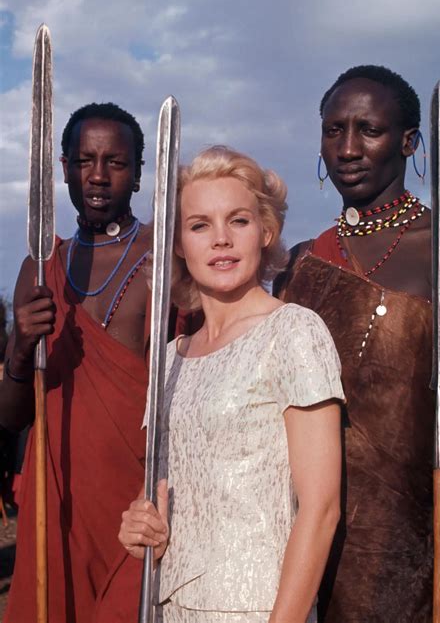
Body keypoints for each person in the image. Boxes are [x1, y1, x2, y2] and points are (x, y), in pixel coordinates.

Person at [275, 65, 440, 623]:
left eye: (369, 130)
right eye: (334, 130)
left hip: (409, 549)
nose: (348, 148)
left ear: (409, 142)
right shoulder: (298, 265)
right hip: (299, 547)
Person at [118, 146, 345, 622]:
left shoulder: (294, 332)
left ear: (266, 231)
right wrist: (143, 527)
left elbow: (321, 510)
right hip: (168, 609)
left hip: (257, 609)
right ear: (179, 243)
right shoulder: (168, 359)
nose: (220, 239)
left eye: (238, 220)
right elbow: (171, 495)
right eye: (200, 224)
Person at [1, 103, 154, 623]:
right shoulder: (40, 266)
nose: (97, 175)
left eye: (115, 162)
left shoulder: (167, 255)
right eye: (85, 160)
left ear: (137, 175)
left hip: (141, 500)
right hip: (58, 495)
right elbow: (9, 414)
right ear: (64, 168)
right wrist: (21, 347)